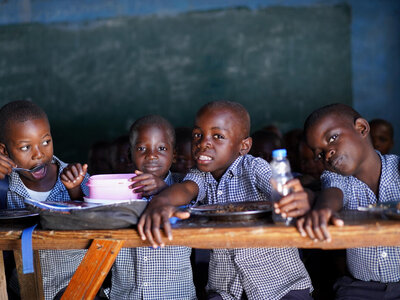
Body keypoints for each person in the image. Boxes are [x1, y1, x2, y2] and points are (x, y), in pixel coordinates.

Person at [138, 101, 313, 300]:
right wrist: (161, 202)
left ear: (244, 146)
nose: (203, 143)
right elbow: (185, 189)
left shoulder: (255, 168)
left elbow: (282, 188)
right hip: (226, 288)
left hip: (280, 284)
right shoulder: (200, 175)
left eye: (218, 136)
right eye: (198, 135)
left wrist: (298, 197)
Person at [297, 103, 400, 299]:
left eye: (332, 138)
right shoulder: (335, 178)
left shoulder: (397, 168)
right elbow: (332, 194)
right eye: (319, 153)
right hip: (358, 289)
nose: (328, 153)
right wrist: (324, 209)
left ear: (361, 128)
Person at [0, 100, 90, 300]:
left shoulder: (79, 178)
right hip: (21, 292)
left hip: (78, 290)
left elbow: (99, 224)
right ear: (4, 152)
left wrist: (74, 191)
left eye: (46, 142)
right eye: (25, 147)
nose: (39, 154)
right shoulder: (4, 185)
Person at [108, 115, 196, 300]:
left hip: (176, 296)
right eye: (141, 148)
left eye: (162, 148)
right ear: (129, 154)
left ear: (174, 154)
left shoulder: (188, 186)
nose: (152, 155)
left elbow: (199, 214)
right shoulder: (114, 190)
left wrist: (165, 190)